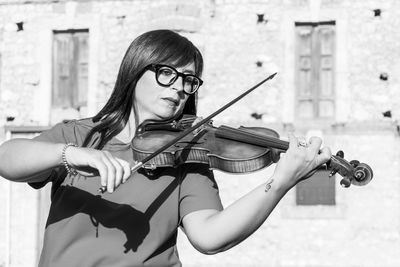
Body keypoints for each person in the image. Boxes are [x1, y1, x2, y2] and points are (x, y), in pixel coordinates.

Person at [0, 29, 331, 267]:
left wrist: (280, 183)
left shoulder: (187, 156)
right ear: (136, 70)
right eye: (167, 73)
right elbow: (7, 159)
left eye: (189, 80)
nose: (179, 88)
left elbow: (210, 237)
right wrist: (70, 153)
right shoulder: (80, 134)